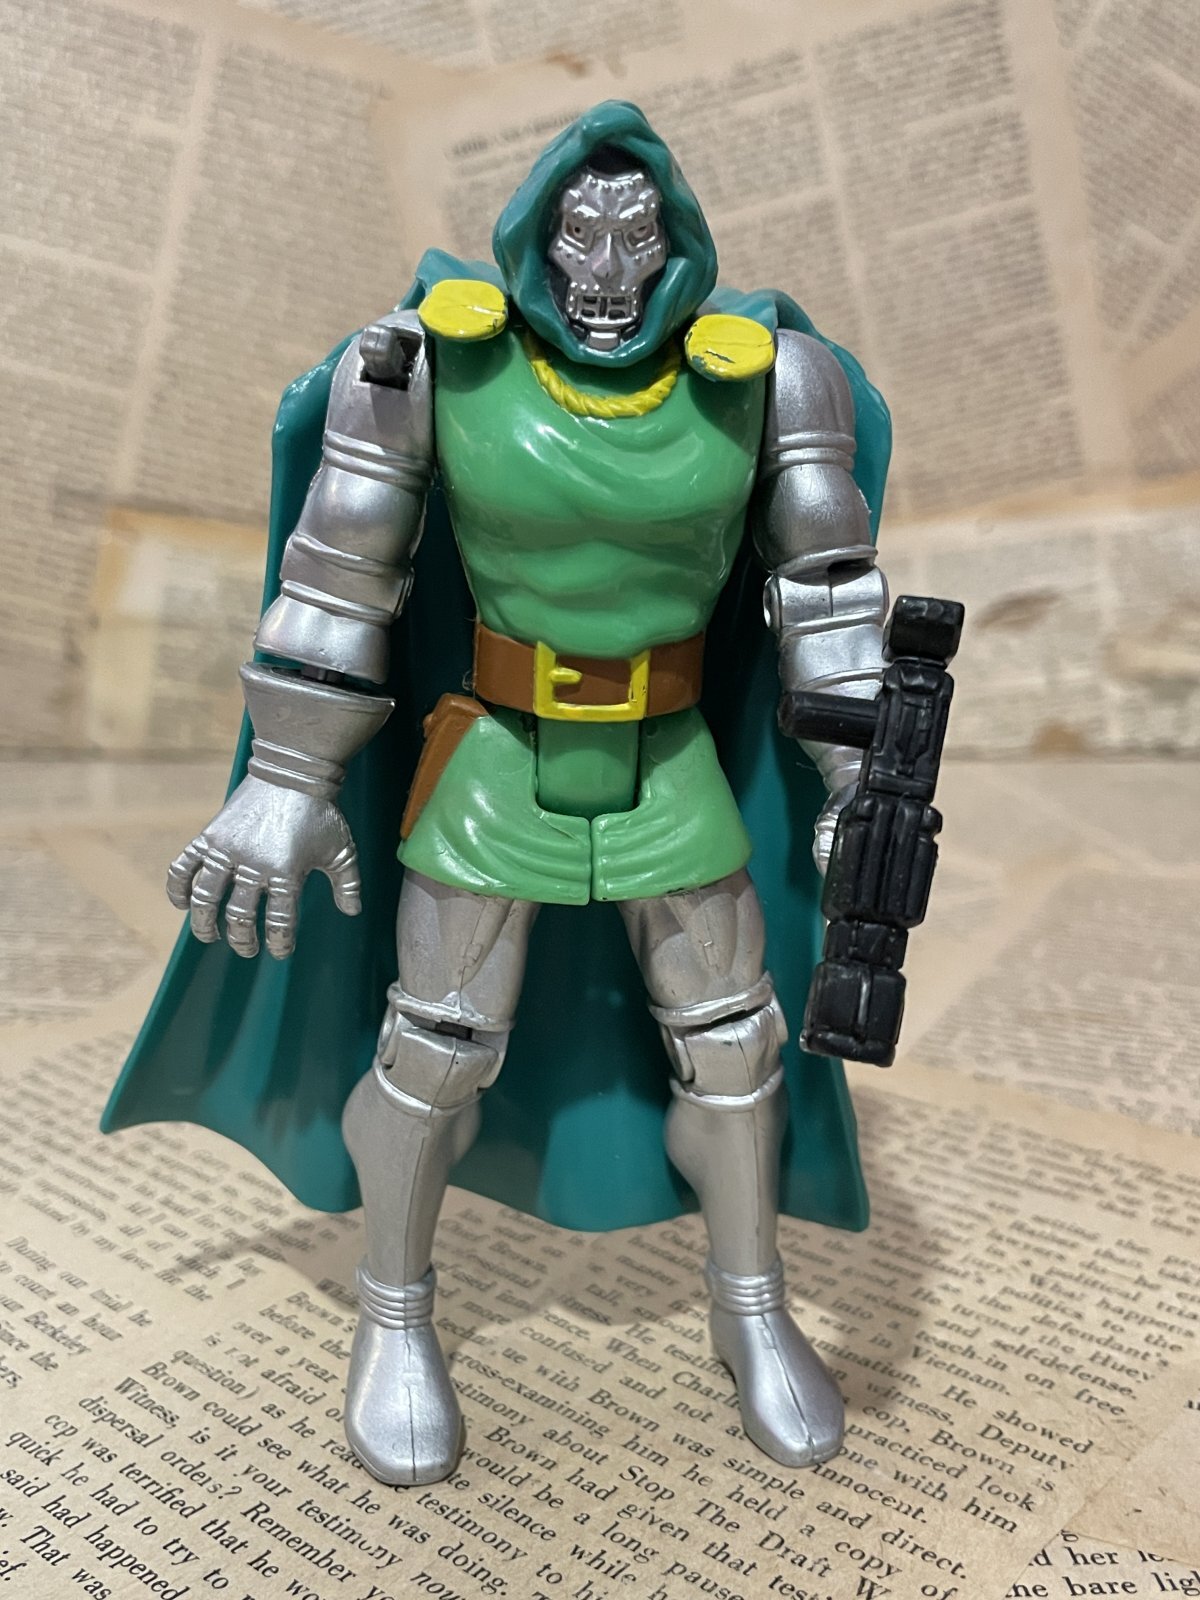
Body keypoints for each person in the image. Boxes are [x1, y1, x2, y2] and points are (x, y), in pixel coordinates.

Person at [104, 101, 893, 1487]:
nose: (609, 274)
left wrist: (856, 778)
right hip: (497, 760)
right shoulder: (423, 364)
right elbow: (339, 575)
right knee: (435, 1051)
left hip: (667, 759)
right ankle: (394, 1312)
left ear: (679, 243)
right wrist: (286, 779)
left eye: (638, 240)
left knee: (735, 1048)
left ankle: (751, 1306)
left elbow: (827, 592)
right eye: (582, 238)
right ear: (537, 240)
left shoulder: (774, 376)